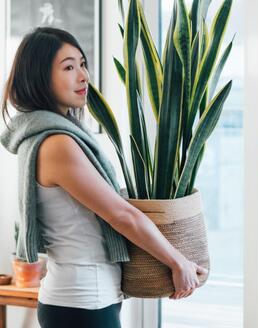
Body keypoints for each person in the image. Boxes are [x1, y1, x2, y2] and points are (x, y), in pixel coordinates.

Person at [0, 27, 207, 328]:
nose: (83, 76)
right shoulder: (58, 144)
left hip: (81, 300)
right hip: (83, 304)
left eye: (82, 64)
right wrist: (178, 262)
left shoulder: (47, 137)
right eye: (68, 67)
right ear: (39, 76)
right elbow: (121, 215)